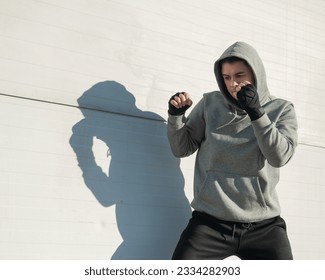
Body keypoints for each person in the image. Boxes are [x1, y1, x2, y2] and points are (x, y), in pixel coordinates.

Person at [167, 41, 298, 260]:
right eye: (226, 77)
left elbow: (279, 157)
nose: (233, 83)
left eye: (239, 75)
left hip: (263, 226)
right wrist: (175, 117)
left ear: (256, 74)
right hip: (210, 223)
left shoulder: (281, 109)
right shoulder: (210, 103)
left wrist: (256, 112)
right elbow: (181, 149)